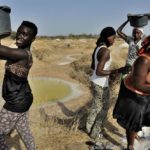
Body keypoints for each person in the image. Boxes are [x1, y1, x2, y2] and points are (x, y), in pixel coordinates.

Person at [0, 21, 38, 150]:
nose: (20, 36)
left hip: (16, 102)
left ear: (33, 38)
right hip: (24, 98)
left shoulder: (22, 54)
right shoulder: (20, 52)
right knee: (24, 130)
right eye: (19, 32)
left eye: (25, 35)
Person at [86, 27, 126, 140]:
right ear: (108, 37)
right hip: (100, 84)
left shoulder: (98, 48)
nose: (114, 40)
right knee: (103, 109)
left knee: (95, 107)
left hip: (95, 81)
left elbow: (93, 67)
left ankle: (88, 128)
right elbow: (99, 71)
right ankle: (95, 133)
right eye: (114, 37)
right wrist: (117, 70)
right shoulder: (105, 51)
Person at [113, 35, 150, 150]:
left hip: (147, 90)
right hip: (133, 92)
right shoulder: (144, 60)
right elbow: (137, 84)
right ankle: (130, 145)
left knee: (145, 116)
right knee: (133, 119)